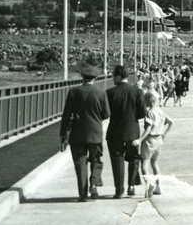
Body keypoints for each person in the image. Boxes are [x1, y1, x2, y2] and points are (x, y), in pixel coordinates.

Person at [59, 57, 111, 201]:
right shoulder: (101, 93)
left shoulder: (73, 92)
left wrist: (63, 134)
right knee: (96, 160)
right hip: (95, 132)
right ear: (95, 78)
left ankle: (82, 195)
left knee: (80, 163)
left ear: (83, 77)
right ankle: (94, 184)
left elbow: (66, 115)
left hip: (77, 133)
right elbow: (106, 114)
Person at [106, 64, 146, 199]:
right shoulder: (137, 92)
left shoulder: (109, 92)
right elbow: (142, 113)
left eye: (112, 76)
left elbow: (106, 113)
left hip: (115, 131)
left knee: (117, 160)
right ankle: (132, 186)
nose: (112, 79)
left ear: (117, 76)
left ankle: (119, 190)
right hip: (132, 130)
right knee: (134, 158)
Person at [139, 88, 173, 198]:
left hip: (150, 140)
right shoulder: (161, 112)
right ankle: (159, 186)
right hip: (159, 140)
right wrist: (164, 134)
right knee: (155, 163)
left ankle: (150, 184)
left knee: (144, 164)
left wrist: (139, 139)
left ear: (149, 100)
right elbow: (171, 122)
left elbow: (148, 128)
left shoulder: (149, 113)